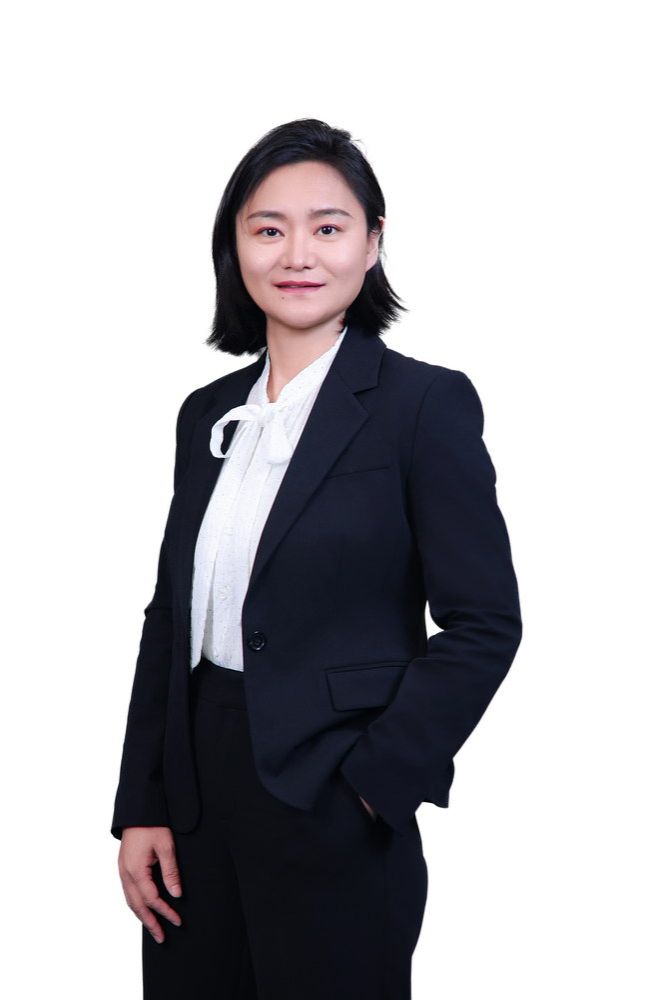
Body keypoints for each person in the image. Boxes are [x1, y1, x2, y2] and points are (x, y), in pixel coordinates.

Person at [111, 118, 522, 1000]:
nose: (297, 254)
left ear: (372, 244)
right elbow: (169, 616)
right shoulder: (207, 413)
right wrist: (142, 802)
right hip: (194, 798)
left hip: (334, 793)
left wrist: (374, 785)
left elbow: (484, 622)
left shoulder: (423, 405)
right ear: (235, 246)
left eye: (328, 227)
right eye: (269, 229)